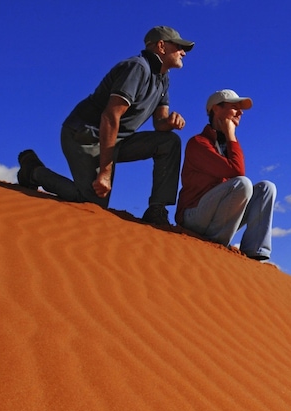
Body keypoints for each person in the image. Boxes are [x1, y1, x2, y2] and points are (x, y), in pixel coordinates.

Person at [16, 26, 194, 226]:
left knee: (169, 142)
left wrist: (169, 122)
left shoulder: (163, 79)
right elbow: (110, 116)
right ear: (161, 46)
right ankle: (33, 171)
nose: (183, 52)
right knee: (92, 201)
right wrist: (105, 172)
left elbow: (159, 124)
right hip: (85, 135)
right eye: (178, 47)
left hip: (117, 139)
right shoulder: (137, 68)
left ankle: (157, 209)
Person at [176, 89, 276, 262]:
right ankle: (217, 244)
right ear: (216, 109)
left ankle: (255, 251)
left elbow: (236, 172)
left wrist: (230, 138)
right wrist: (231, 135)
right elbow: (238, 171)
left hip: (217, 214)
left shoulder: (229, 145)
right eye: (235, 107)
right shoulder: (198, 143)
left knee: (266, 188)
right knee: (242, 184)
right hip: (194, 216)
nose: (240, 112)